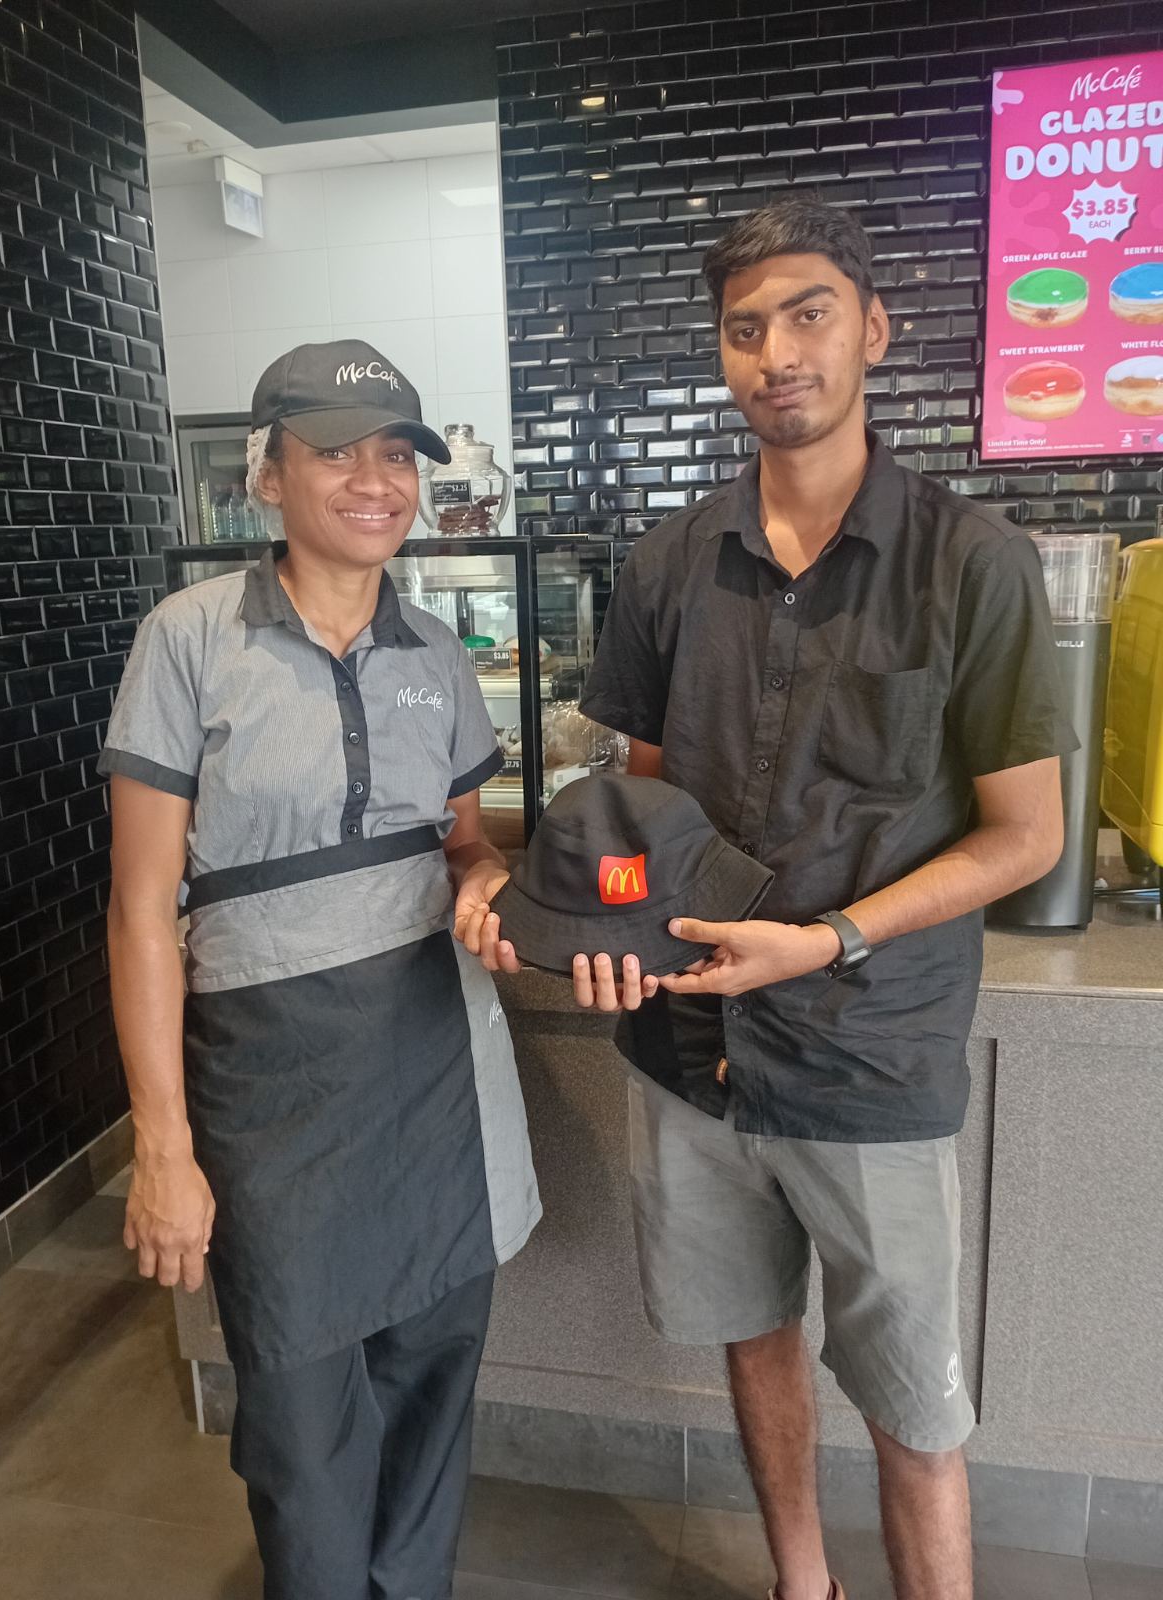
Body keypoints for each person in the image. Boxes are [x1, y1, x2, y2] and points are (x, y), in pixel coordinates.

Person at [462, 199, 1077, 1600]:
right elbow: (643, 811)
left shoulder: (971, 561)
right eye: (746, 328)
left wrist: (831, 936)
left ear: (874, 329)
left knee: (914, 1404)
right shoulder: (670, 563)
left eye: (808, 314)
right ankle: (805, 1584)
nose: (777, 352)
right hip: (692, 1047)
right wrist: (612, 935)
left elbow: (1026, 835)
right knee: (752, 1336)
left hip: (868, 1051)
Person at [100, 340, 539, 1600]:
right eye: (338, 452)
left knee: (434, 1375)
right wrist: (164, 1147)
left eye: (397, 453)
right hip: (267, 1085)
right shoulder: (190, 639)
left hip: (433, 1067)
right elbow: (140, 913)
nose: (375, 481)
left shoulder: (438, 654)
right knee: (300, 1421)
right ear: (268, 476)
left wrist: (485, 880)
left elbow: (465, 845)